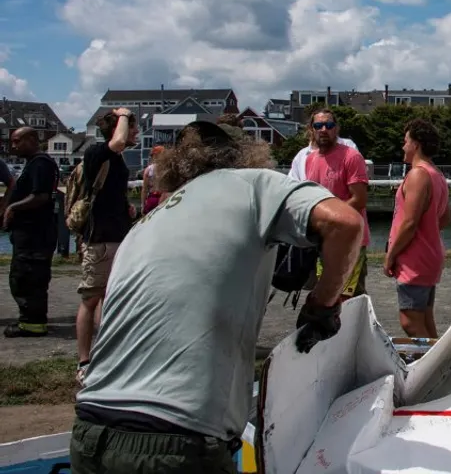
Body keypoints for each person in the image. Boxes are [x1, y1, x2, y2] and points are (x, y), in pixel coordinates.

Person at [70, 120, 365, 473]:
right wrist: (321, 304)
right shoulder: (253, 183)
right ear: (245, 156)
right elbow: (344, 224)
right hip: (177, 438)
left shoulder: (146, 224)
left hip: (89, 431)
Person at [75, 108, 138, 384]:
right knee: (90, 299)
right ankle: (84, 362)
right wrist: (124, 114)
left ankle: (107, 354)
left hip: (116, 234)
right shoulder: (98, 152)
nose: (135, 133)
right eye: (132, 127)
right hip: (100, 238)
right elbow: (119, 141)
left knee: (108, 298)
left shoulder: (116, 158)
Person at [289, 108, 371, 300]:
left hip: (351, 240)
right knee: (326, 296)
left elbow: (359, 199)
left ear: (337, 128)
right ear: (311, 129)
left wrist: (330, 219)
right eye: (318, 125)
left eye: (329, 125)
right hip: (323, 242)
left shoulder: (351, 156)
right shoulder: (307, 160)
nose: (324, 129)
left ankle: (356, 329)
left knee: (348, 299)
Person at [385, 118, 451, 338]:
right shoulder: (437, 175)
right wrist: (429, 232)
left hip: (415, 259)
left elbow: (410, 222)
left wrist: (391, 254)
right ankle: (443, 364)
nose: (403, 146)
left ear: (416, 144)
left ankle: (429, 366)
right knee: (424, 317)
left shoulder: (418, 175)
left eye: (406, 141)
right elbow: (445, 218)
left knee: (410, 321)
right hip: (430, 255)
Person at [2, 128, 59, 337]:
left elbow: (40, 196)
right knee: (25, 278)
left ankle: (31, 324)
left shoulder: (40, 164)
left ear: (33, 139)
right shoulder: (34, 164)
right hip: (31, 234)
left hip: (35, 235)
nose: (13, 146)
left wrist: (12, 208)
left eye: (18, 141)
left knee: (27, 278)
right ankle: (31, 320)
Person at [141, 145, 164, 215]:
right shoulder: (166, 168)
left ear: (154, 156)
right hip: (164, 198)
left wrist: (143, 205)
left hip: (152, 198)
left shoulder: (148, 169)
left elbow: (145, 189)